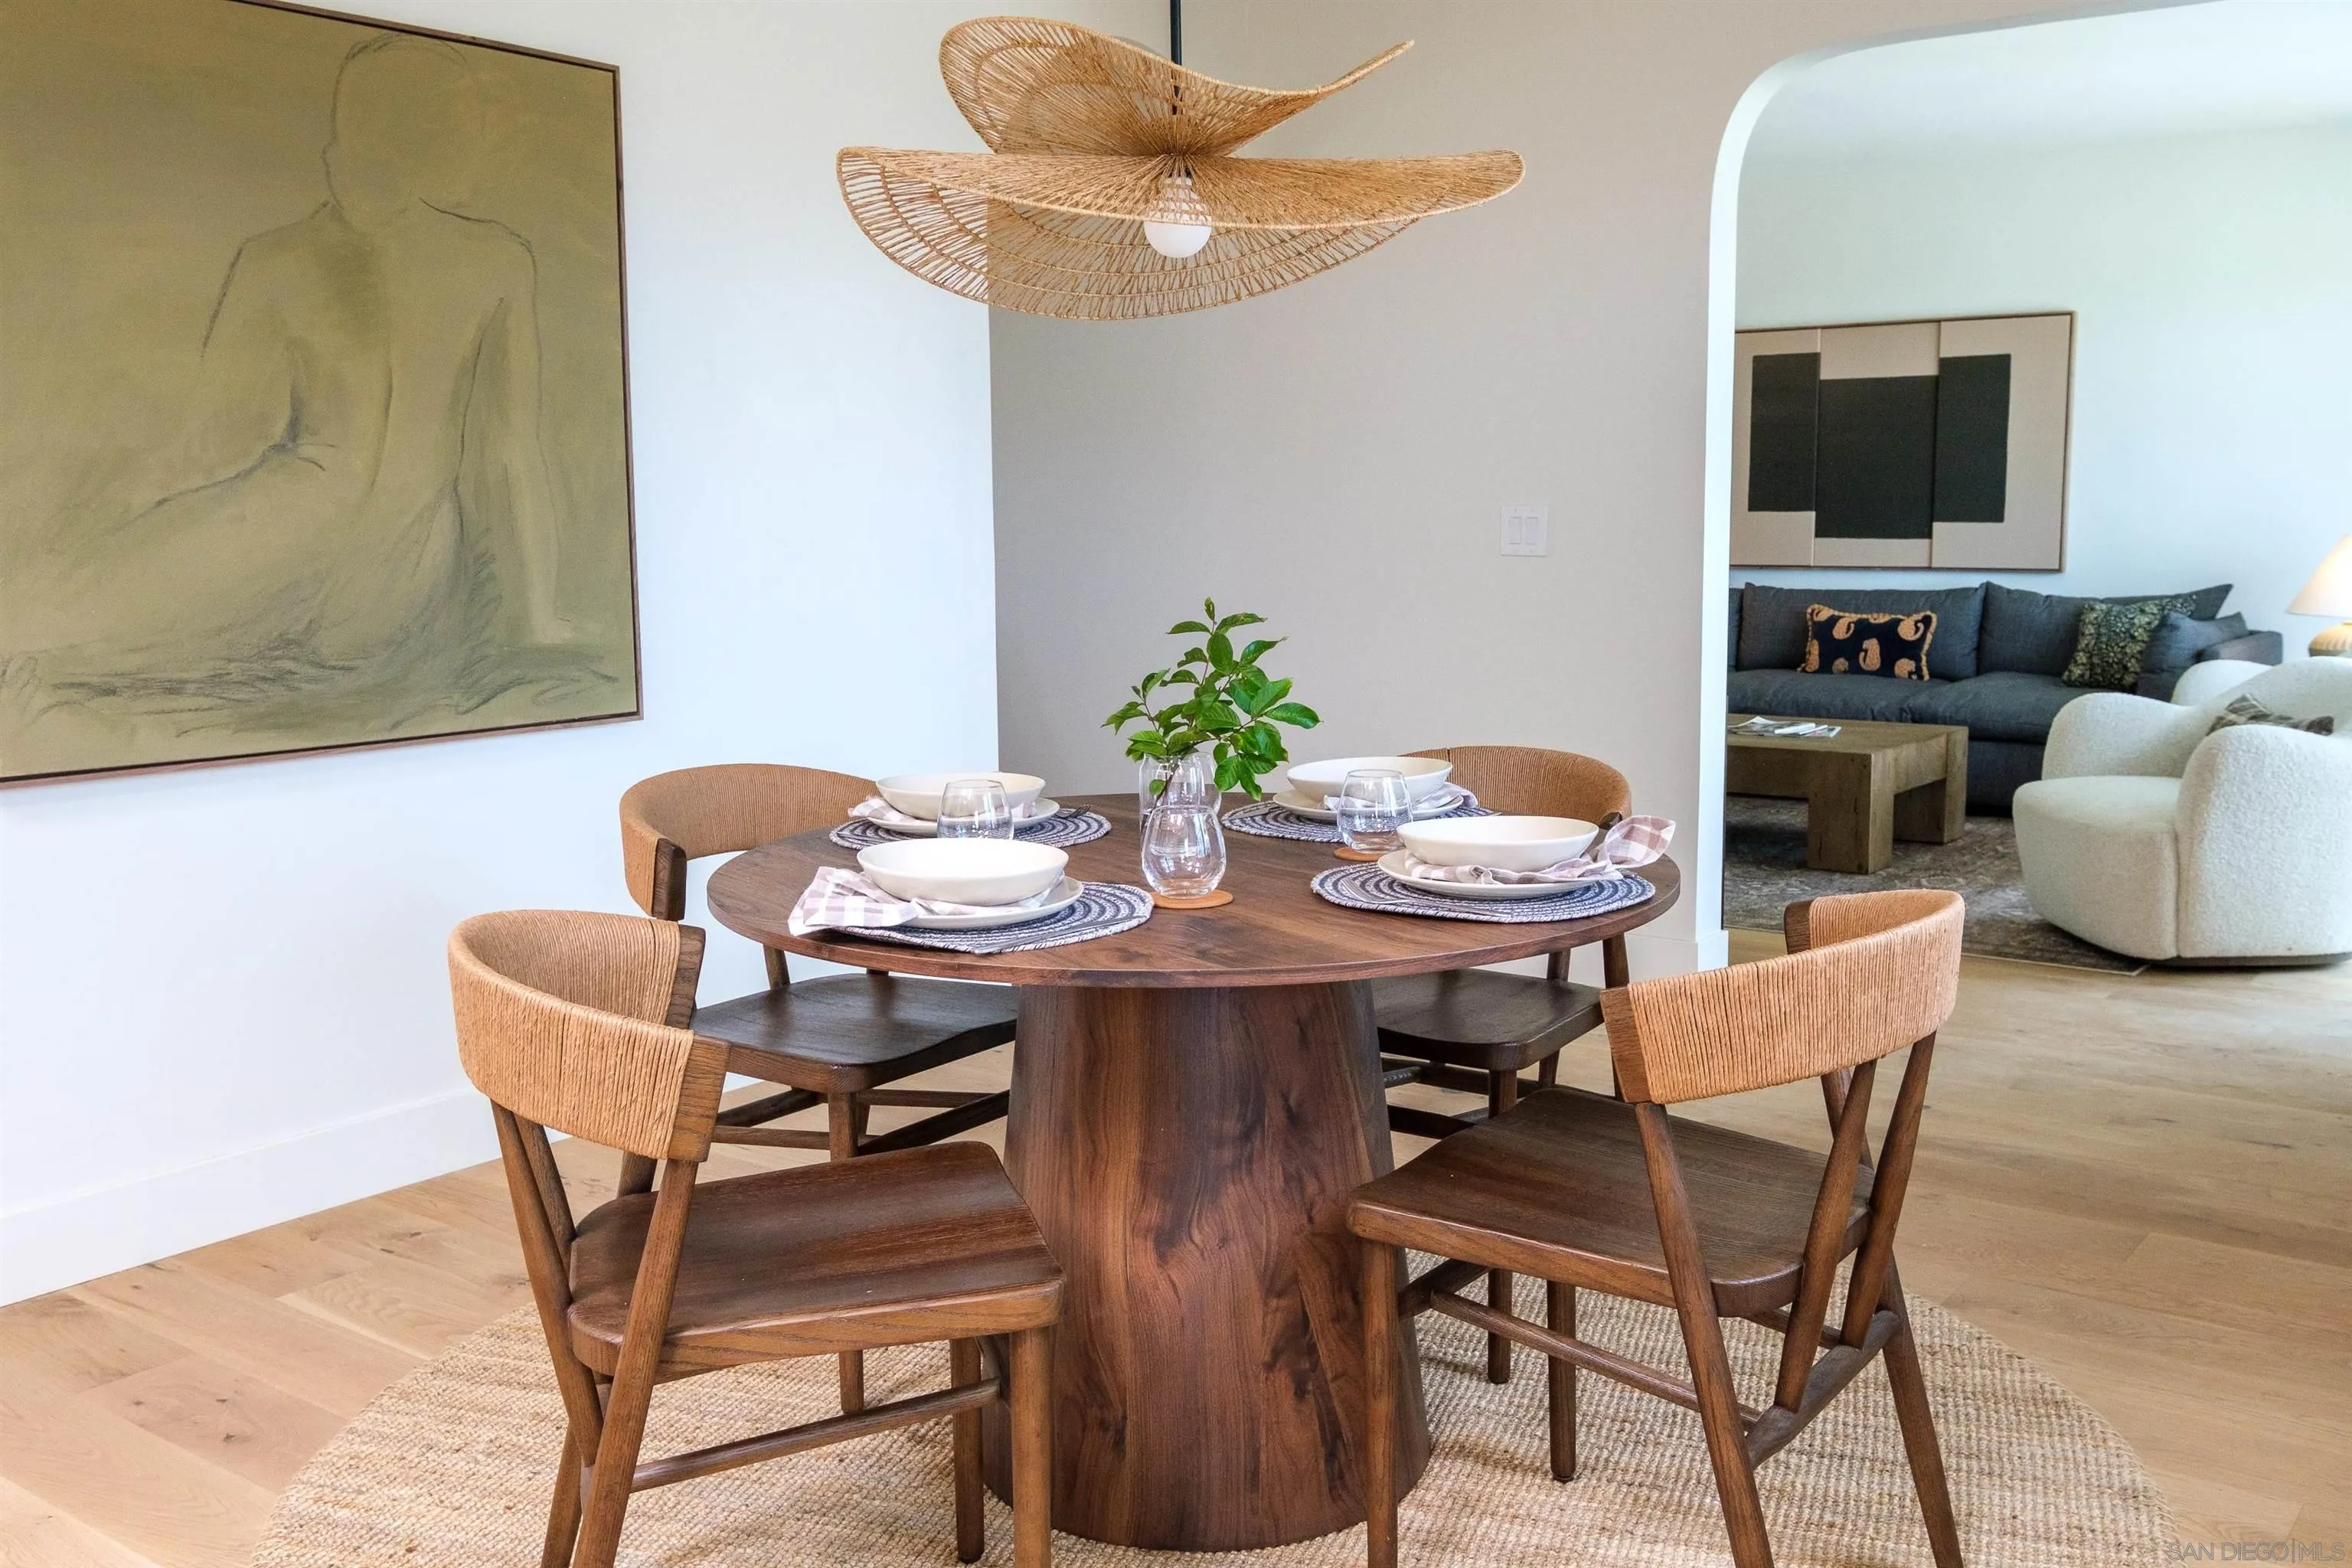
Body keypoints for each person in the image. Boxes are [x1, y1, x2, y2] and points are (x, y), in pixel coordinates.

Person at [7, 32, 573, 691]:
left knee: (53, 616)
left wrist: (115, 510)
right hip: (399, 570)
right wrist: (540, 615)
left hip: (296, 536)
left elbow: (215, 444)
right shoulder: (496, 259)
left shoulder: (278, 260)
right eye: (459, 123)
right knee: (67, 615)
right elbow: (512, 454)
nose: (473, 141)